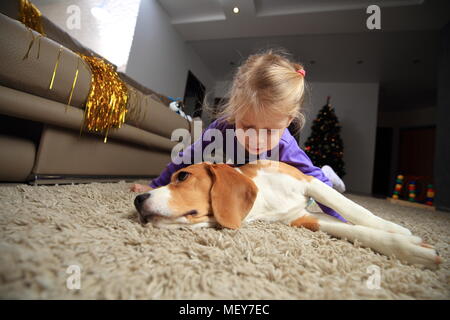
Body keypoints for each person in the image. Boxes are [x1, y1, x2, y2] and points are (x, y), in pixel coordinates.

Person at [130, 48, 347, 222]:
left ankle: (329, 173)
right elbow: (186, 158)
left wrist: (343, 218)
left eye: (270, 131)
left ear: (288, 122)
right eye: (248, 127)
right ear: (235, 111)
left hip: (294, 187)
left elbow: (320, 188)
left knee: (314, 188)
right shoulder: (222, 127)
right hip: (250, 181)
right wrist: (157, 184)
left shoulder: (286, 146)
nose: (257, 139)